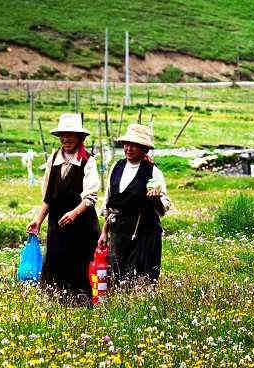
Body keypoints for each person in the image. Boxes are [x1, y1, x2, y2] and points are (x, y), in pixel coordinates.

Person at [26, 113, 101, 298]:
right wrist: (38, 220)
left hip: (81, 224)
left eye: (70, 135)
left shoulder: (87, 160)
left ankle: (82, 301)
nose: (66, 139)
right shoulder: (53, 159)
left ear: (79, 137)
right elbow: (48, 197)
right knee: (56, 263)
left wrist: (74, 214)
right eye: (63, 135)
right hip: (57, 224)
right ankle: (57, 299)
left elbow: (90, 197)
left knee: (80, 265)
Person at [98, 122, 172, 287]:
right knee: (117, 279)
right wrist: (104, 232)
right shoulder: (116, 168)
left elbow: (163, 207)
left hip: (144, 235)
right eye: (126, 144)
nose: (128, 148)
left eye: (134, 145)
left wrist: (155, 199)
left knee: (142, 281)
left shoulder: (153, 172)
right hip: (119, 234)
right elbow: (110, 202)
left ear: (144, 149)